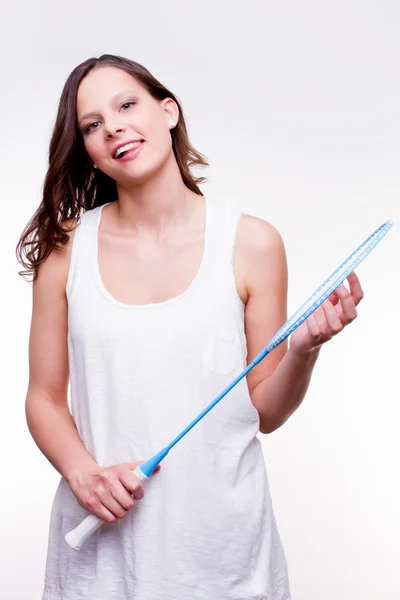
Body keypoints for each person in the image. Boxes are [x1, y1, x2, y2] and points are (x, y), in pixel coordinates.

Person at [16, 54, 364, 600]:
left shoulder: (252, 242)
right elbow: (43, 398)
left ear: (168, 111)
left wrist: (304, 350)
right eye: (92, 125)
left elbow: (266, 410)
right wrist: (83, 474)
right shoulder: (66, 251)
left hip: (224, 557)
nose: (113, 127)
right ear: (87, 150)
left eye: (127, 105)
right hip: (101, 565)